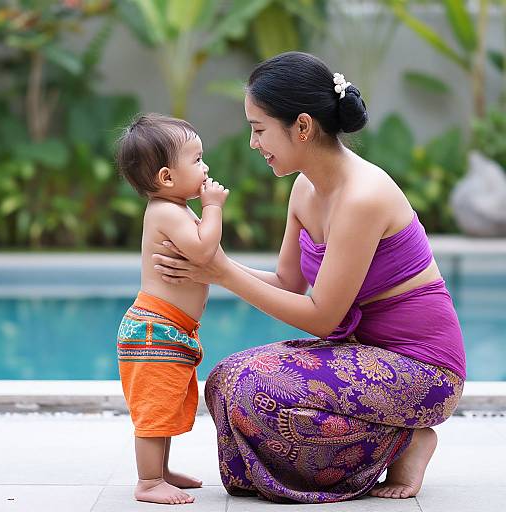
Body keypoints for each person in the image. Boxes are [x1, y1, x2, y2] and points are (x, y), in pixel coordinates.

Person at [152, 52, 466, 503]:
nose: (253, 143)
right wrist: (212, 267)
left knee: (259, 388)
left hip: (424, 371)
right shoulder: (305, 188)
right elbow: (287, 283)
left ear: (302, 126)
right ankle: (385, 444)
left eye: (259, 129)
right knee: (224, 380)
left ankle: (405, 442)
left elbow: (321, 318)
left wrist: (220, 270)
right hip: (363, 357)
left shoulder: (363, 196)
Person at [115, 113, 229, 505]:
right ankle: (148, 482)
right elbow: (203, 250)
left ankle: (160, 471)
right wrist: (214, 207)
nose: (206, 167)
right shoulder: (166, 211)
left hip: (170, 327)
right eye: (197, 160)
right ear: (166, 177)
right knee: (153, 413)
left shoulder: (176, 208)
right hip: (156, 328)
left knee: (163, 405)